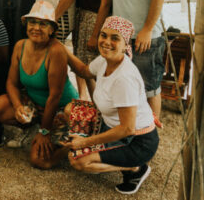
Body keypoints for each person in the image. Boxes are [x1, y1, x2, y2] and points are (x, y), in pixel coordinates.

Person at [63, 16, 159, 195]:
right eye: (103, 35)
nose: (106, 42)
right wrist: (65, 52)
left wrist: (85, 141)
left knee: (78, 161)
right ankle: (107, 153)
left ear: (125, 45)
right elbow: (84, 71)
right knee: (71, 110)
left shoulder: (124, 78)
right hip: (112, 125)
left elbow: (127, 129)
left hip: (137, 141)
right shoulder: (104, 60)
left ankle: (135, 168)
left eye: (115, 38)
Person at [0, 1, 79, 169]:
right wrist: (17, 107)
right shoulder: (20, 46)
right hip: (36, 103)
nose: (36, 28)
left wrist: (45, 131)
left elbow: (55, 96)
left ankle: (74, 142)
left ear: (52, 30)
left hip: (60, 108)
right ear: (26, 25)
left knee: (40, 161)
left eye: (43, 24)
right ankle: (32, 127)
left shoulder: (56, 50)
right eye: (32, 22)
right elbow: (11, 83)